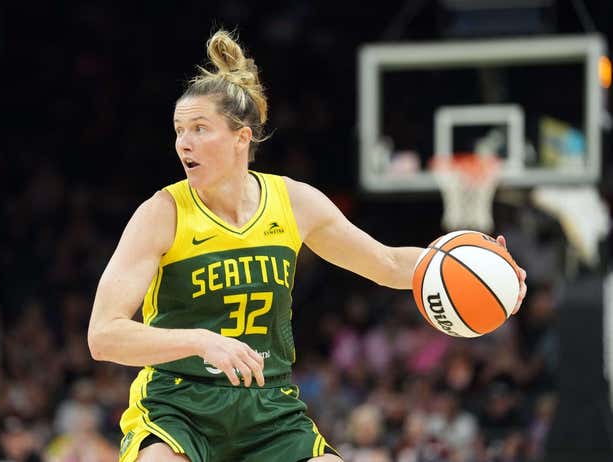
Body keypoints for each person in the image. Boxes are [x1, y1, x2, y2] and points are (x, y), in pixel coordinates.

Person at [87, 29, 527, 462]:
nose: (184, 142)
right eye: (180, 130)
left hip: (268, 408)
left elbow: (389, 263)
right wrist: (201, 341)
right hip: (177, 406)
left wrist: (490, 274)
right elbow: (103, 336)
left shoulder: (292, 202)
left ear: (243, 137)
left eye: (200, 129)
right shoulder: (162, 213)